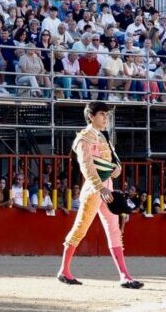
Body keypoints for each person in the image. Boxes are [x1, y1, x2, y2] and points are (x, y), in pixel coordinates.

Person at [57, 102, 142, 289]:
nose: (106, 117)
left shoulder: (103, 138)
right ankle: (64, 271)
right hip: (95, 190)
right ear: (91, 116)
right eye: (103, 114)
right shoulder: (84, 138)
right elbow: (86, 165)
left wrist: (116, 170)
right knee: (80, 228)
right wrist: (100, 187)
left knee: (114, 231)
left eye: (107, 114)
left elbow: (113, 165)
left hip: (107, 188)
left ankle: (124, 275)